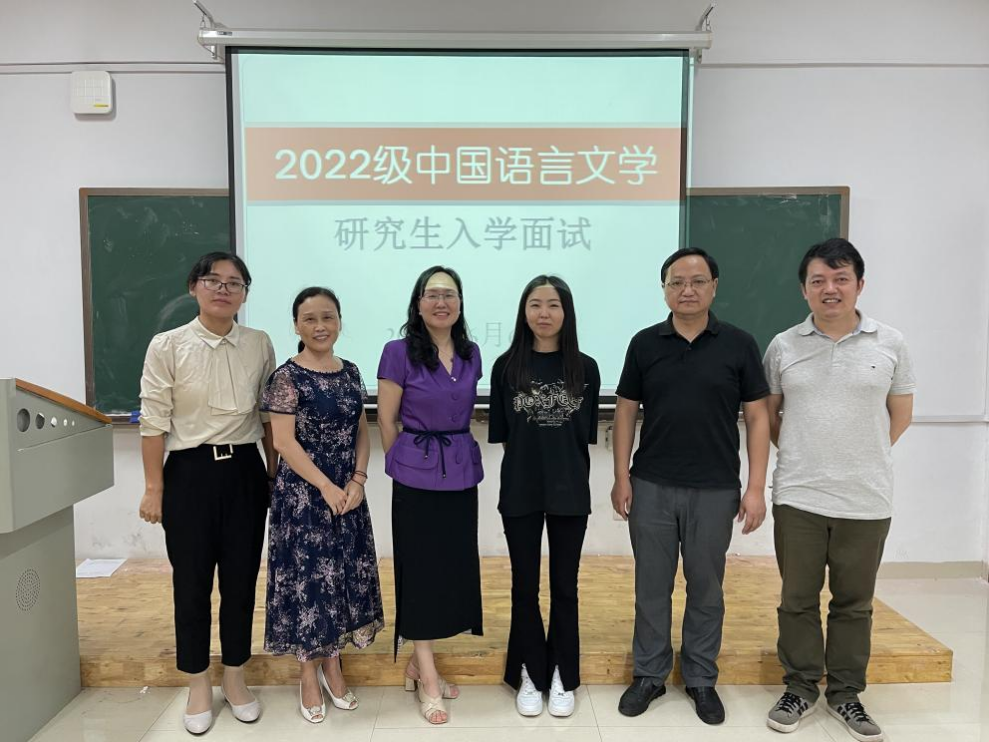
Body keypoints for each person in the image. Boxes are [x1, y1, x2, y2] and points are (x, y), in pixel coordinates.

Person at [611, 247, 770, 725]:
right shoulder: (644, 343)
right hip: (651, 485)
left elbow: (758, 417)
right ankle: (650, 674)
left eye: (697, 281)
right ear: (664, 289)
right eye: (676, 282)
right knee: (651, 586)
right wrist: (621, 477)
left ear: (714, 287)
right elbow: (625, 412)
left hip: (715, 489)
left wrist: (756, 487)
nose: (687, 290)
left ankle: (701, 676)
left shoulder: (739, 344)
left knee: (706, 587)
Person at [764, 239, 914, 742]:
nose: (830, 289)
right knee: (797, 599)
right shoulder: (783, 346)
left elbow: (900, 415)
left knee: (854, 603)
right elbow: (771, 416)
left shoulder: (890, 342)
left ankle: (846, 693)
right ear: (804, 289)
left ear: (859, 285)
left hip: (866, 498)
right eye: (819, 281)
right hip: (799, 497)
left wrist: (860, 454)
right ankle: (800, 687)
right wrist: (806, 454)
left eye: (841, 278)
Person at [138, 252, 276, 735]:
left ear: (244, 294)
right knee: (192, 584)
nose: (223, 289)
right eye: (213, 280)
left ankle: (235, 677)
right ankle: (198, 683)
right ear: (193, 286)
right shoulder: (168, 345)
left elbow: (268, 417)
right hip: (189, 475)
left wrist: (273, 474)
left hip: (244, 473)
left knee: (240, 582)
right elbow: (153, 422)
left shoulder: (259, 343)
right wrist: (153, 489)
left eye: (234, 283)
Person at [261, 287, 384, 723]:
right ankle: (307, 673)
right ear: (296, 325)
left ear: (339, 322)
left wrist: (358, 479)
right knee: (309, 584)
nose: (320, 326)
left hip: (347, 494)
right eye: (310, 319)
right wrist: (327, 487)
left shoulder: (350, 372)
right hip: (303, 497)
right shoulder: (286, 377)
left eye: (328, 317)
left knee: (341, 579)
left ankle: (333, 664)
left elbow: (362, 431)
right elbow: (283, 443)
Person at [489, 275, 600, 718]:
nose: (544, 313)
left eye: (553, 305)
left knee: (565, 588)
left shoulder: (585, 368)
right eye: (535, 304)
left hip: (570, 489)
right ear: (524, 311)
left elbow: (582, 436)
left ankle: (562, 674)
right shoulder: (506, 367)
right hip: (521, 488)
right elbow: (505, 435)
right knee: (524, 587)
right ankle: (530, 672)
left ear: (566, 312)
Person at [377, 265, 484, 725]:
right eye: (432, 294)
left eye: (450, 294)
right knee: (420, 573)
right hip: (415, 475)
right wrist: (401, 463)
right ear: (418, 303)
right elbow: (386, 420)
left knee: (450, 570)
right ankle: (429, 678)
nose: (442, 302)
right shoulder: (397, 351)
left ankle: (419, 666)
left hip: (460, 471)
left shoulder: (471, 352)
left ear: (460, 303)